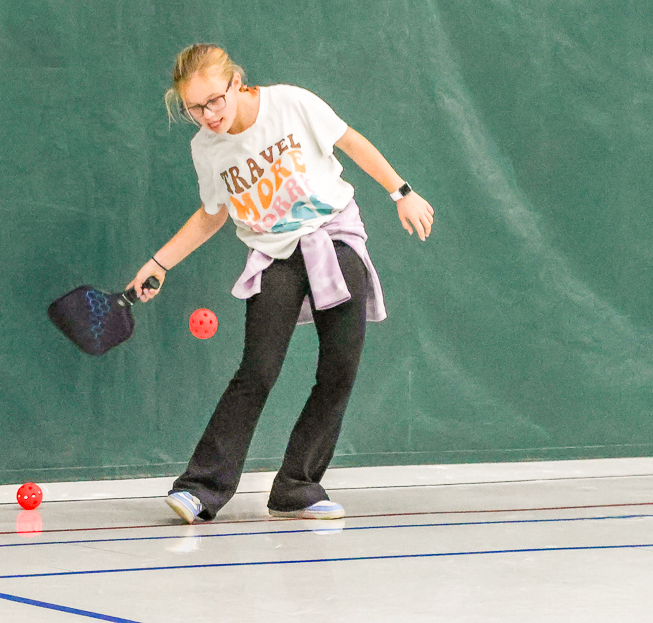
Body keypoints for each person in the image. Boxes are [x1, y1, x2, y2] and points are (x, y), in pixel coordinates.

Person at [127, 44, 434, 524]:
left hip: (335, 239)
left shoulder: (291, 103)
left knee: (340, 370)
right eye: (194, 108)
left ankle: (297, 488)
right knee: (257, 371)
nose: (208, 115)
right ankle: (200, 489)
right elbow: (212, 215)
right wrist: (159, 263)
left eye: (215, 100)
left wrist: (402, 192)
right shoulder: (206, 148)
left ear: (236, 84)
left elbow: (350, 141)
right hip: (274, 256)